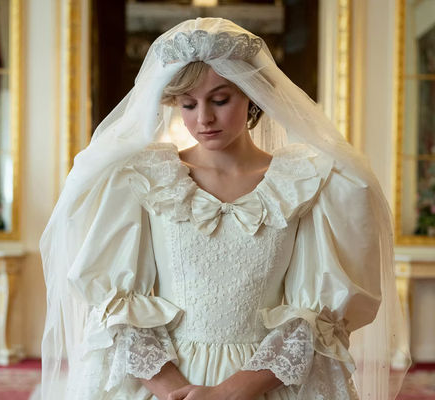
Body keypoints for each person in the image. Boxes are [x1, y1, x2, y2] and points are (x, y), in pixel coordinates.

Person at [39, 17, 410, 400]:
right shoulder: (143, 178)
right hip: (163, 381)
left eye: (220, 99)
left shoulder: (306, 182)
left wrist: (230, 393)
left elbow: (315, 320)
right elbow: (117, 308)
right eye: (188, 104)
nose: (204, 119)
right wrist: (177, 391)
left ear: (252, 95)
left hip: (266, 380)